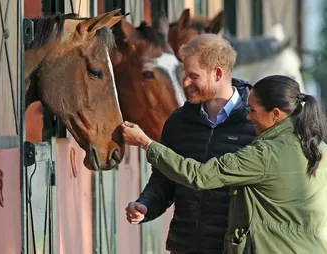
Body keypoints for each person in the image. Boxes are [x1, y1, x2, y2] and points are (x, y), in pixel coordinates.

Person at [121, 75, 327, 254]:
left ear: (275, 114)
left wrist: (145, 143)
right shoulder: (320, 148)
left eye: (253, 110)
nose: (248, 116)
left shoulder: (265, 154)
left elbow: (199, 176)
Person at [125, 33, 256, 253]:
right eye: (183, 74)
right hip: (185, 246)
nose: (185, 82)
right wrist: (145, 205)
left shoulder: (254, 123)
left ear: (217, 73)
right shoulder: (178, 121)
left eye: (193, 76)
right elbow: (162, 181)